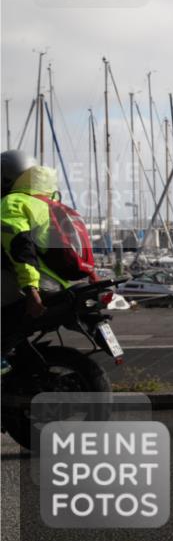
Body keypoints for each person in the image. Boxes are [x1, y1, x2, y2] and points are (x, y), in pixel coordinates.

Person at [1, 150, 75, 374]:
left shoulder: (13, 203)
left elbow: (21, 248)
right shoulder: (47, 202)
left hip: (35, 282)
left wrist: (31, 289)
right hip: (58, 282)